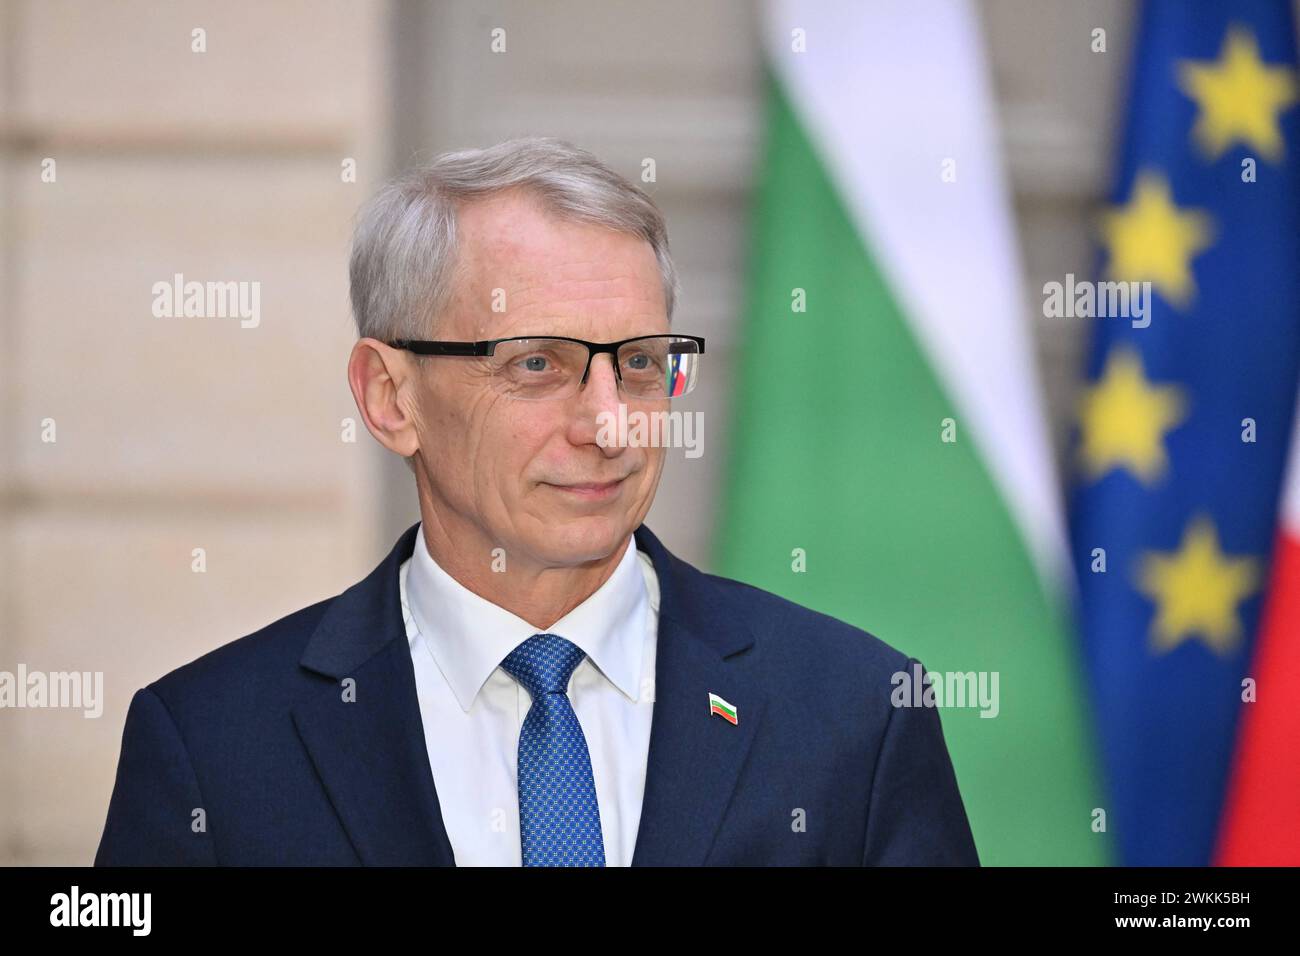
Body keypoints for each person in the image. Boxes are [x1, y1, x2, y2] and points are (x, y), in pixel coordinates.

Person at [94, 137, 979, 866]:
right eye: (536, 365)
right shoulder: (213, 745)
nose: (608, 424)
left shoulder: (854, 713)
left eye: (637, 363)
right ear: (390, 397)